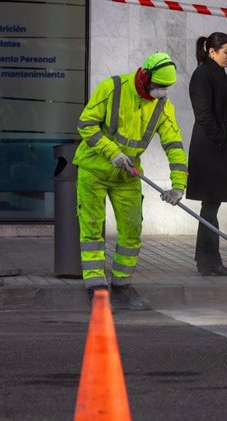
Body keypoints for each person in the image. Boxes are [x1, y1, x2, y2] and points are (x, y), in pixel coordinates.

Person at [74, 52, 188, 309]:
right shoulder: (112, 87)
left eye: (165, 88)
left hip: (127, 175)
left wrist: (178, 185)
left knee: (132, 230)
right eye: (158, 86)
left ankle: (122, 287)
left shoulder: (162, 106)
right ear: (144, 76)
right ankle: (96, 288)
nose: (161, 91)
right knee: (92, 228)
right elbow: (86, 125)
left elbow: (175, 146)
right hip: (93, 169)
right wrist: (112, 152)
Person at [186, 32, 227, 277]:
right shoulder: (204, 74)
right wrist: (222, 139)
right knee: (210, 206)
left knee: (211, 206)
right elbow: (204, 115)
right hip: (211, 149)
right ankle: (210, 261)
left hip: (219, 146)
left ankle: (207, 260)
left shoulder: (214, 72)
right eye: (226, 52)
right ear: (212, 51)